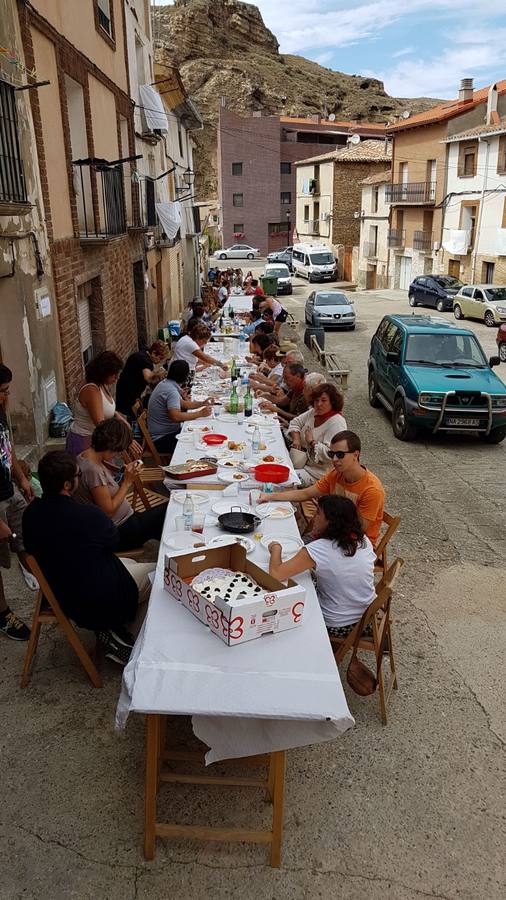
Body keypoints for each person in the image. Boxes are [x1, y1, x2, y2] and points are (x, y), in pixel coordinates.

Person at [23, 451, 155, 665]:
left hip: (61, 589)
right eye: (78, 476)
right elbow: (113, 541)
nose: (80, 479)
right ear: (67, 485)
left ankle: (116, 631)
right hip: (95, 599)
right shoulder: (87, 515)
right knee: (158, 575)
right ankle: (129, 637)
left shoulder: (31, 514)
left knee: (130, 564)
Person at [267, 495, 375, 638]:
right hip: (367, 616)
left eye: (318, 513)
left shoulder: (320, 548)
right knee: (307, 577)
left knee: (286, 602)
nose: (313, 516)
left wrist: (276, 548)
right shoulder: (363, 540)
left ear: (330, 522)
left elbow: (276, 574)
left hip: (337, 622)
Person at [259, 430, 385, 546]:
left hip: (355, 544)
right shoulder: (336, 474)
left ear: (355, 455)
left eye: (340, 455)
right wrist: (270, 496)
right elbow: (306, 494)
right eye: (332, 454)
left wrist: (324, 519)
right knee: (281, 542)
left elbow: (359, 529)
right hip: (329, 534)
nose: (334, 459)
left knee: (290, 552)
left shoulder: (372, 489)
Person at [75, 419, 167, 552]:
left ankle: (167, 554)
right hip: (119, 531)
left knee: (165, 516)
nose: (118, 454)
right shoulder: (92, 470)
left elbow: (104, 490)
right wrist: (127, 481)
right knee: (168, 512)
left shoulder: (86, 456)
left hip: (126, 520)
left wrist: (123, 475)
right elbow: (109, 510)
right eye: (118, 451)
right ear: (112, 446)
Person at [0, 364, 35, 640]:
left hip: (9, 490)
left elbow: (7, 448)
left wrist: (21, 479)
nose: (6, 397)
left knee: (28, 538)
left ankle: (45, 586)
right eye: (1, 392)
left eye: (7, 391)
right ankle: (2, 614)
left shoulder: (0, 412)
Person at [147, 360, 212, 455]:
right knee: (199, 440)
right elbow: (176, 417)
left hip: (164, 433)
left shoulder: (166, 383)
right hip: (161, 439)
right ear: (185, 377)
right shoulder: (171, 391)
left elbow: (183, 404)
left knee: (199, 432)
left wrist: (202, 403)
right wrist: (200, 413)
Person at [65, 351, 124, 455]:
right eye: (114, 374)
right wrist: (124, 438)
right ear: (104, 373)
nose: (117, 377)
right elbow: (101, 424)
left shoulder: (103, 385)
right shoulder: (92, 390)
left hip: (98, 442)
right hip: (85, 442)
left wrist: (118, 416)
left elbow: (105, 410)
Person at [288, 382, 346, 485]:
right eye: (316, 400)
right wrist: (296, 439)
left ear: (332, 402)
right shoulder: (313, 412)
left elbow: (332, 454)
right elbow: (295, 422)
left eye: (323, 400)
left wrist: (312, 442)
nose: (319, 404)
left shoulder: (337, 422)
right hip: (301, 463)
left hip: (319, 475)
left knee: (286, 481)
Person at [115, 341, 170, 418]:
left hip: (126, 388)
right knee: (130, 415)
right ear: (154, 353)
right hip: (128, 392)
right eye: (160, 358)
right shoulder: (146, 362)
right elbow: (148, 378)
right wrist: (158, 376)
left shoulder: (143, 353)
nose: (159, 361)